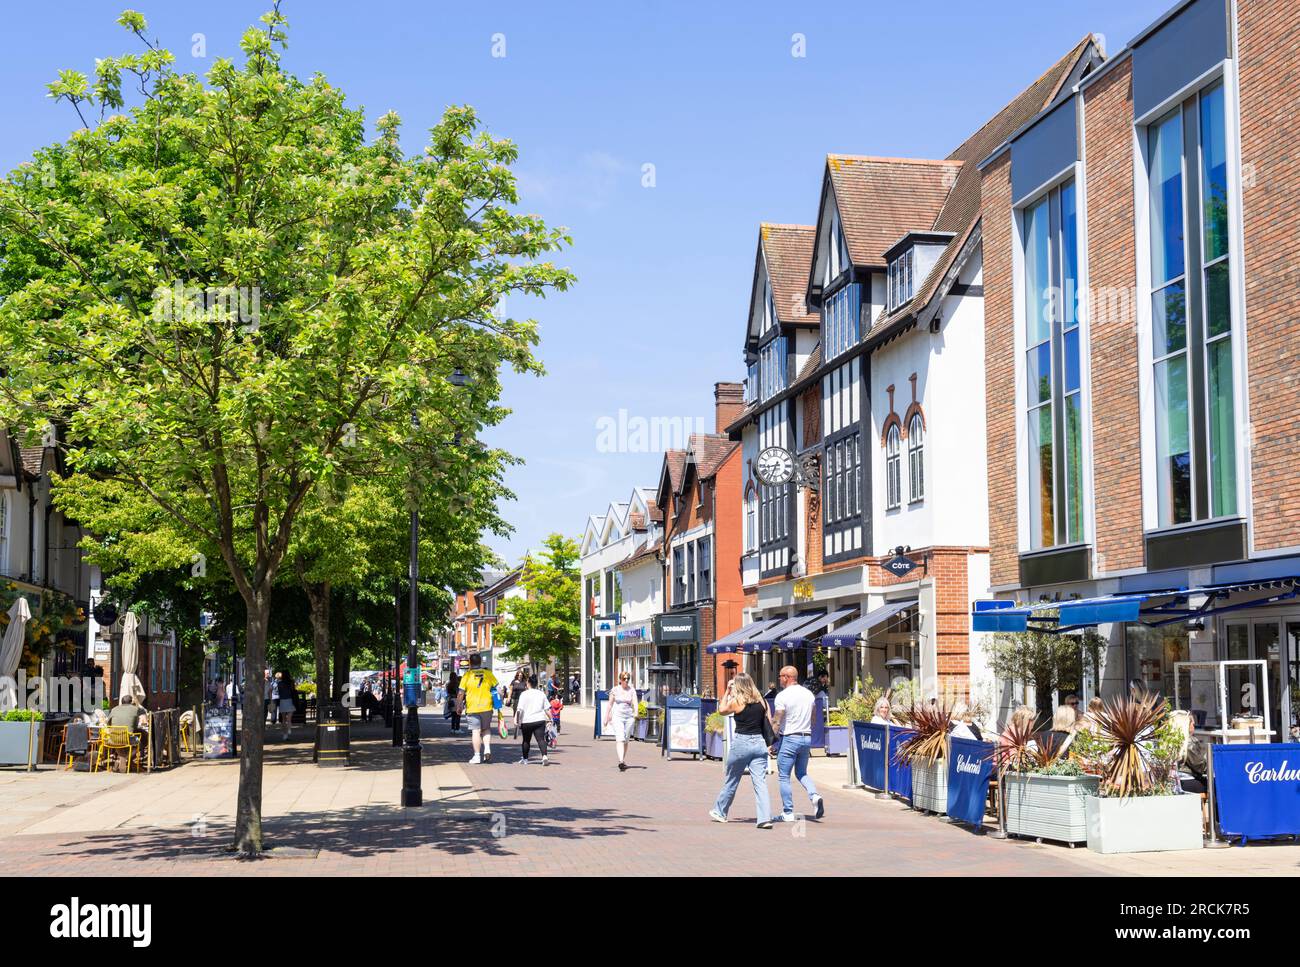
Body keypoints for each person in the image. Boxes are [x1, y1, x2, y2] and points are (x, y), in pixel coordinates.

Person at [709, 673, 773, 828]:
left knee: (732, 779)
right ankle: (764, 818)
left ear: (738, 686)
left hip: (742, 742)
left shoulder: (737, 701)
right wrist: (769, 744)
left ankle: (720, 811)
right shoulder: (763, 702)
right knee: (760, 783)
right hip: (759, 742)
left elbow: (722, 710)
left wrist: (726, 691)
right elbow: (769, 723)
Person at [771, 665, 825, 822]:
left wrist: (771, 740)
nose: (779, 679)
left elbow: (777, 720)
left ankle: (787, 812)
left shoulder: (782, 696)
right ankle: (814, 795)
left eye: (781, 676)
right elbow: (814, 718)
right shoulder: (808, 694)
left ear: (787, 677)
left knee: (784, 776)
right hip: (806, 737)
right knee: (802, 772)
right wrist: (806, 729)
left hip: (789, 737)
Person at [456, 654, 498, 764]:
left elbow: (461, 693)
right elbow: (497, 689)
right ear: (480, 662)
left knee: (476, 731)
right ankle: (487, 749)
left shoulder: (467, 676)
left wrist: (459, 705)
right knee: (486, 729)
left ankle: (477, 756)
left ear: (470, 662)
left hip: (472, 707)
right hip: (487, 706)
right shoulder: (488, 674)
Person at [603, 671, 638, 771]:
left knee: (626, 739)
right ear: (620, 680)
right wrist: (606, 717)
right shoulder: (615, 690)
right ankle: (621, 761)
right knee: (620, 738)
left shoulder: (631, 690)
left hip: (629, 717)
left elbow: (635, 702)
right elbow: (610, 704)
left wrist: (636, 712)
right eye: (624, 678)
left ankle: (623, 759)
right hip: (618, 716)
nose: (626, 680)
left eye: (628, 679)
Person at [514, 674, 551, 766]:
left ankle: (525, 759)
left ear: (528, 683)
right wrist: (551, 719)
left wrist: (516, 719)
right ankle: (544, 756)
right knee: (541, 740)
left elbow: (519, 709)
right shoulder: (541, 694)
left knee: (526, 740)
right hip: (539, 720)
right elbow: (547, 709)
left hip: (526, 721)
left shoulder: (524, 694)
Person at [278, 672, 297, 740]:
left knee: (283, 719)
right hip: (289, 700)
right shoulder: (291, 682)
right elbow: (293, 690)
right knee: (289, 718)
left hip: (282, 700)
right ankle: (289, 729)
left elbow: (279, 692)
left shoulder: (279, 683)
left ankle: (285, 735)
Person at [446, 669, 462, 735]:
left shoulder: (448, 684)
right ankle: (457, 729)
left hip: (451, 700)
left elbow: (448, 693)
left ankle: (452, 729)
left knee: (453, 716)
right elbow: (459, 692)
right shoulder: (457, 684)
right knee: (458, 715)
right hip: (457, 700)